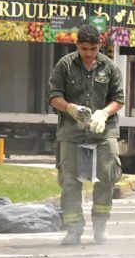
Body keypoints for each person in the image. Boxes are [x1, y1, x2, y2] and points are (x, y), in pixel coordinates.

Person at [48, 25, 125, 246]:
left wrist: (103, 113)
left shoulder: (109, 68)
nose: (89, 54)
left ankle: (100, 226)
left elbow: (118, 99)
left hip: (103, 131)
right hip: (72, 133)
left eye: (93, 49)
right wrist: (70, 108)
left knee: (107, 176)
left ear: (99, 46)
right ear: (77, 46)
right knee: (71, 182)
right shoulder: (64, 65)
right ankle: (73, 229)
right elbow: (53, 96)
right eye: (84, 49)